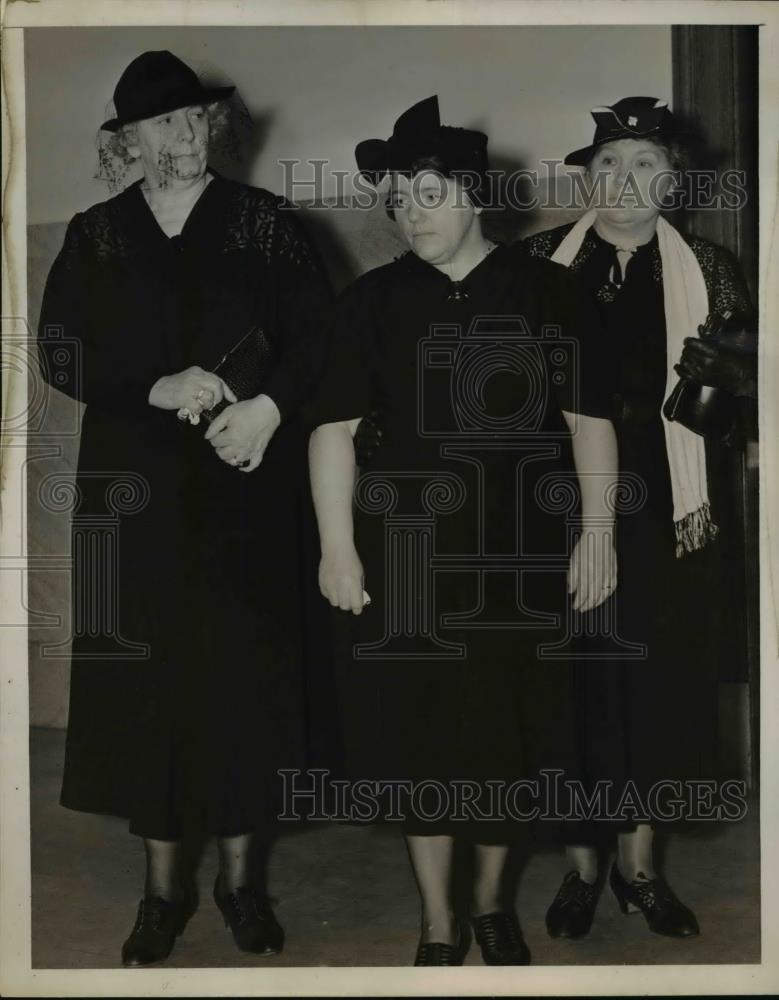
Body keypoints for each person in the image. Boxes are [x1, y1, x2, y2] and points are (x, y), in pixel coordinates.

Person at [308, 96, 618, 966]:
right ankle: (437, 922)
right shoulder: (369, 302)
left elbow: (589, 421)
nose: (411, 214)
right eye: (398, 199)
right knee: (419, 738)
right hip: (406, 555)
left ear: (474, 195)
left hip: (520, 552)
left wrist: (597, 534)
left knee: (506, 736)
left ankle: (489, 907)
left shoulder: (549, 291)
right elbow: (330, 430)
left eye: (429, 194)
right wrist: (338, 548)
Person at [37, 51, 332, 966]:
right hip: (136, 494)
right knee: (152, 688)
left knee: (246, 678)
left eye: (195, 118)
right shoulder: (95, 234)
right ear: (123, 140)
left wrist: (258, 402)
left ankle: (242, 884)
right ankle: (162, 892)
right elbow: (59, 351)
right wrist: (151, 385)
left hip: (247, 483)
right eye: (161, 123)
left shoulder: (268, 223)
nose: (183, 135)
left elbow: (317, 341)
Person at [520, 96, 756, 940]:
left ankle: (643, 867)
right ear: (586, 177)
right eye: (609, 165)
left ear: (674, 180)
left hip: (666, 507)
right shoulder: (541, 260)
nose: (624, 181)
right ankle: (583, 868)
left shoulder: (711, 269)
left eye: (644, 165)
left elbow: (739, 415)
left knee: (658, 681)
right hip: (555, 502)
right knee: (571, 681)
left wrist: (725, 390)